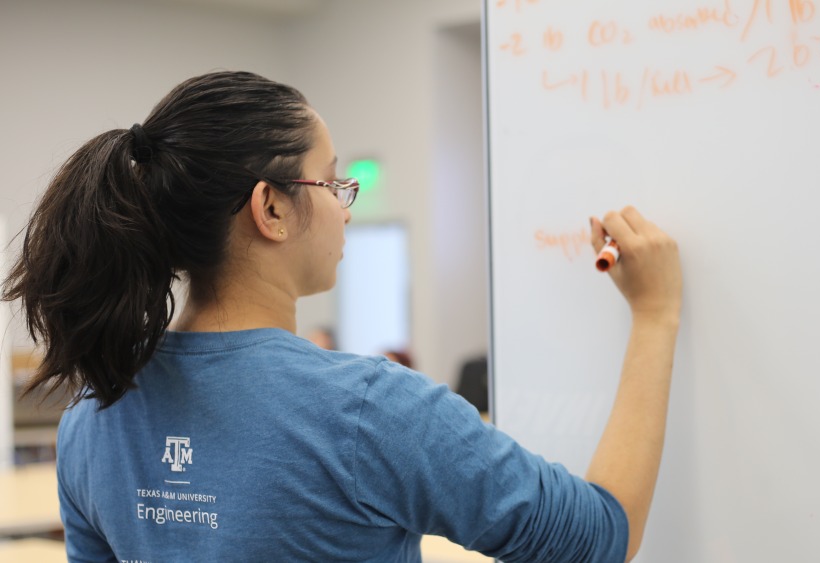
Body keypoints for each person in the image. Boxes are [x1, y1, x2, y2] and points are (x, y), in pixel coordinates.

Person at [3, 71, 682, 562]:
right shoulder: (370, 411)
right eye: (331, 181)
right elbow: (597, 539)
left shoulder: (93, 420)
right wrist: (654, 313)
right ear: (270, 208)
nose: (346, 203)